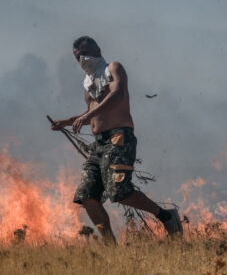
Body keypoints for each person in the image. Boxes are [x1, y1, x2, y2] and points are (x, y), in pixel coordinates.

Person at [51, 36, 182, 243]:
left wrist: (86, 116)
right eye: (78, 57)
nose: (82, 59)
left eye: (85, 52)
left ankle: (166, 217)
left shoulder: (113, 68)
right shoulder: (88, 84)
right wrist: (67, 122)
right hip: (98, 145)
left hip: (119, 138)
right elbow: (92, 113)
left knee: (120, 191)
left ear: (98, 49)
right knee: (87, 195)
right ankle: (110, 247)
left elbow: (118, 94)